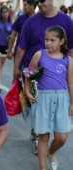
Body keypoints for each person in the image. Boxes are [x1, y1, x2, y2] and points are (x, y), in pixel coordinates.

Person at [13, 0, 73, 155]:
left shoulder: (66, 20)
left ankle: (44, 142)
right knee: (36, 104)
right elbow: (22, 46)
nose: (40, 3)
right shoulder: (31, 21)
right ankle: (38, 134)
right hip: (35, 73)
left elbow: (71, 47)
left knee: (56, 114)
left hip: (58, 73)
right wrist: (16, 67)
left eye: (43, 0)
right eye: (37, 1)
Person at [25, 25, 73, 170]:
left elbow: (70, 82)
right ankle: (42, 168)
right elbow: (28, 75)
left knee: (61, 137)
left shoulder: (68, 59)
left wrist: (72, 103)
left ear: (62, 41)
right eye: (47, 39)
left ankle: (50, 152)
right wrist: (28, 92)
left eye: (52, 40)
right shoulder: (39, 55)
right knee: (43, 137)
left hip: (62, 99)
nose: (49, 43)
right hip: (43, 99)